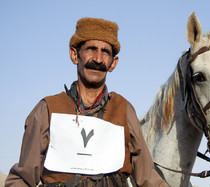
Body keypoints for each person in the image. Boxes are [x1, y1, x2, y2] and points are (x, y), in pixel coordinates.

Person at [5, 18, 168, 187]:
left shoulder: (124, 110)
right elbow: (22, 179)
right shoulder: (48, 109)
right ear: (74, 55)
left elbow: (148, 178)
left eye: (105, 52)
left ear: (113, 63)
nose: (98, 59)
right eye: (91, 49)